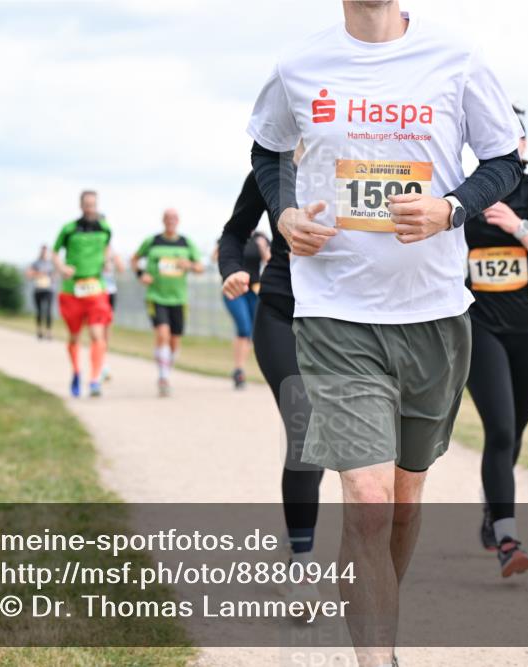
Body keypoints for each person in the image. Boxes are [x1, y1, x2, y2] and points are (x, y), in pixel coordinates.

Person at [247, 2, 523, 664]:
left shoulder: (458, 57)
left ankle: (380, 624)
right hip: (335, 308)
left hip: (433, 312)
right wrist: (283, 213)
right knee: (367, 500)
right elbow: (268, 147)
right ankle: (378, 657)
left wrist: (451, 208)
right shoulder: (298, 65)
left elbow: (502, 160)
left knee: (402, 500)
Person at [464, 106, 528, 576]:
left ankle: (493, 509)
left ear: (522, 144)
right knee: (501, 429)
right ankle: (508, 537)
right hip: (479, 327)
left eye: (511, 138)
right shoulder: (462, 192)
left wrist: (519, 228)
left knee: (515, 431)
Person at [219, 166, 326, 601]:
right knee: (306, 432)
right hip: (282, 313)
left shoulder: (359, 151)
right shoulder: (273, 169)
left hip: (350, 320)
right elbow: (234, 232)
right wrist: (230, 268)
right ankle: (301, 565)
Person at [132, 208, 203, 397]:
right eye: (167, 218)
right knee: (162, 334)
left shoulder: (186, 243)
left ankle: (166, 371)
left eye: (174, 218)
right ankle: (163, 378)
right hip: (156, 297)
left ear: (178, 221)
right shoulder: (152, 241)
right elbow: (134, 259)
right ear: (163, 220)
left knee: (174, 341)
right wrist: (141, 274)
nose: (171, 221)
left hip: (179, 299)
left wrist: (189, 265)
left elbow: (200, 267)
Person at [53, 191, 114, 397]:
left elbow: (107, 247)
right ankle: (77, 372)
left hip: (96, 288)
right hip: (72, 290)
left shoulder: (105, 228)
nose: (90, 208)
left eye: (93, 205)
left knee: (97, 333)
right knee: (74, 336)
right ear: (81, 206)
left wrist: (106, 261)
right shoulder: (69, 229)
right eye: (87, 205)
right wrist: (61, 268)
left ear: (97, 205)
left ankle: (95, 379)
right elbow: (55, 253)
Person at [216, 229, 270, 389]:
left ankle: (243, 369)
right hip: (234, 289)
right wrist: (219, 248)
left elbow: (270, 260)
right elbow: (216, 258)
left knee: (254, 331)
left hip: (253, 291)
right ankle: (239, 371)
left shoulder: (261, 238)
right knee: (244, 328)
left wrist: (263, 247)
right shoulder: (231, 236)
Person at [100, 250, 125, 380]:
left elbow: (122, 269)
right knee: (97, 330)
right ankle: (100, 365)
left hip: (110, 293)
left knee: (106, 330)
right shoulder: (93, 250)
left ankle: (104, 364)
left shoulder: (111, 252)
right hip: (97, 292)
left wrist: (113, 257)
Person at [26, 245, 56, 340]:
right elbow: (28, 274)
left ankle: (49, 332)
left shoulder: (51, 263)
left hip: (49, 289)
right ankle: (39, 331)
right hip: (38, 289)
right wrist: (39, 274)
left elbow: (55, 275)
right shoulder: (35, 263)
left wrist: (52, 276)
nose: (44, 253)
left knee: (49, 311)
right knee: (39, 311)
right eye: (43, 251)